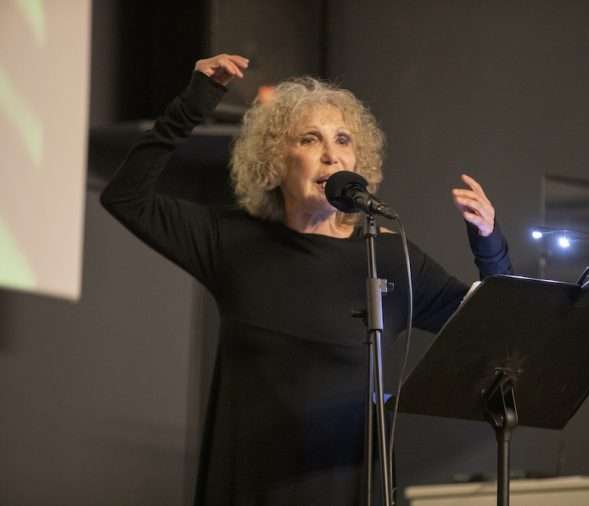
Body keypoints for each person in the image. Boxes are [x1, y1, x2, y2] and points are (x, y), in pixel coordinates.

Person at [101, 53, 513, 506]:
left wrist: (488, 242)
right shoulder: (232, 242)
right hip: (251, 487)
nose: (331, 154)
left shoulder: (389, 258)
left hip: (348, 487)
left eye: (342, 140)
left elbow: (494, 331)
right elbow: (126, 198)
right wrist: (193, 102)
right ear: (276, 160)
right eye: (310, 139)